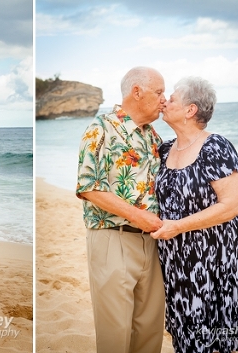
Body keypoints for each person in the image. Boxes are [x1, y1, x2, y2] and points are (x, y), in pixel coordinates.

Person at [151, 77, 238, 353]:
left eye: (171, 99)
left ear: (190, 110)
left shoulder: (216, 146)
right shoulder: (165, 149)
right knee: (185, 330)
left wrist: (179, 226)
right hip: (176, 257)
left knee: (214, 332)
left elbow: (233, 204)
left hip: (214, 255)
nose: (164, 102)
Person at [76, 66, 166, 352]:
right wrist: (139, 216)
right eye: (159, 92)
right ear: (136, 92)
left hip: (152, 243)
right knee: (115, 332)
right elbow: (88, 187)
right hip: (111, 237)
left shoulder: (153, 137)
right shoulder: (100, 128)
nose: (163, 99)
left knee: (149, 329)